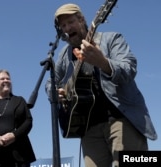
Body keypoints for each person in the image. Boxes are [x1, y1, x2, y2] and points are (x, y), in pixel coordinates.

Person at [45, 3, 157, 167]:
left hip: (121, 119)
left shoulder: (112, 39)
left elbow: (129, 69)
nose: (67, 28)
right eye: (63, 25)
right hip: (89, 130)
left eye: (70, 22)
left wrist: (103, 63)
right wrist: (55, 91)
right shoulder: (63, 56)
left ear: (82, 19)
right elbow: (51, 82)